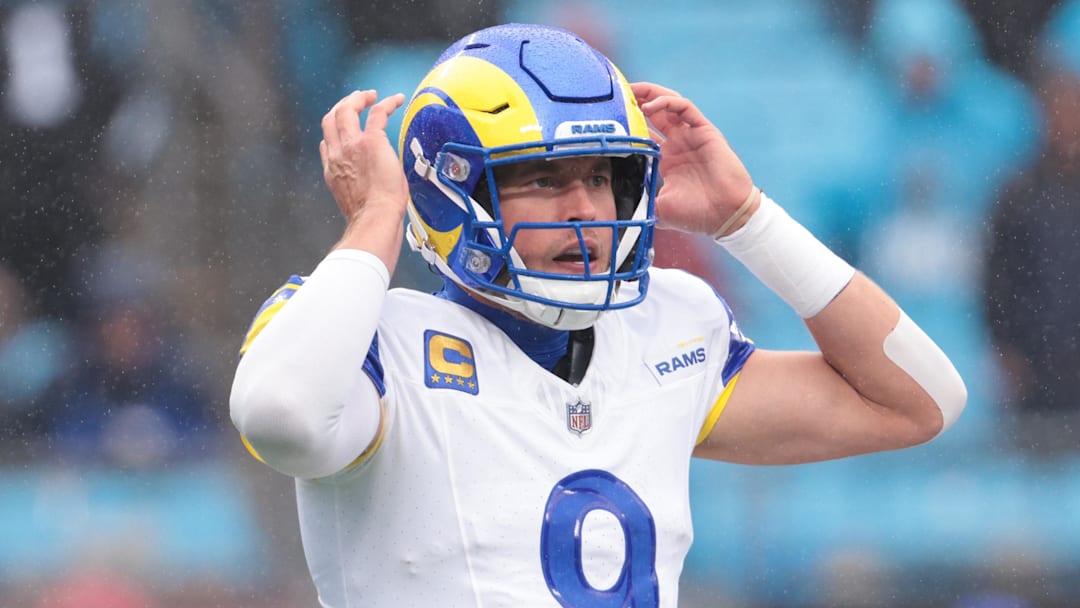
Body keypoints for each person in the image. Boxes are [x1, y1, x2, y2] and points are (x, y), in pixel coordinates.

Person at [229, 23, 966, 607]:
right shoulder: (370, 340)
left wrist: (749, 220)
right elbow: (282, 415)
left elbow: (920, 402)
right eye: (542, 178)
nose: (585, 210)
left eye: (601, 177)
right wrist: (375, 220)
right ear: (447, 192)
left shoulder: (664, 333)